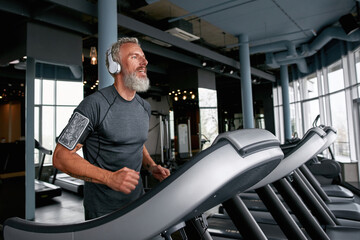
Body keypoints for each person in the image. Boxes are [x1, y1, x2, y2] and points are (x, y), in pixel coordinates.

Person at [53, 37, 170, 220]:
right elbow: (61, 156)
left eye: (144, 57)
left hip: (137, 203)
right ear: (116, 67)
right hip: (103, 211)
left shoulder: (144, 107)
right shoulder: (93, 105)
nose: (145, 62)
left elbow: (137, 143)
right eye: (134, 56)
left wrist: (151, 166)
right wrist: (109, 178)